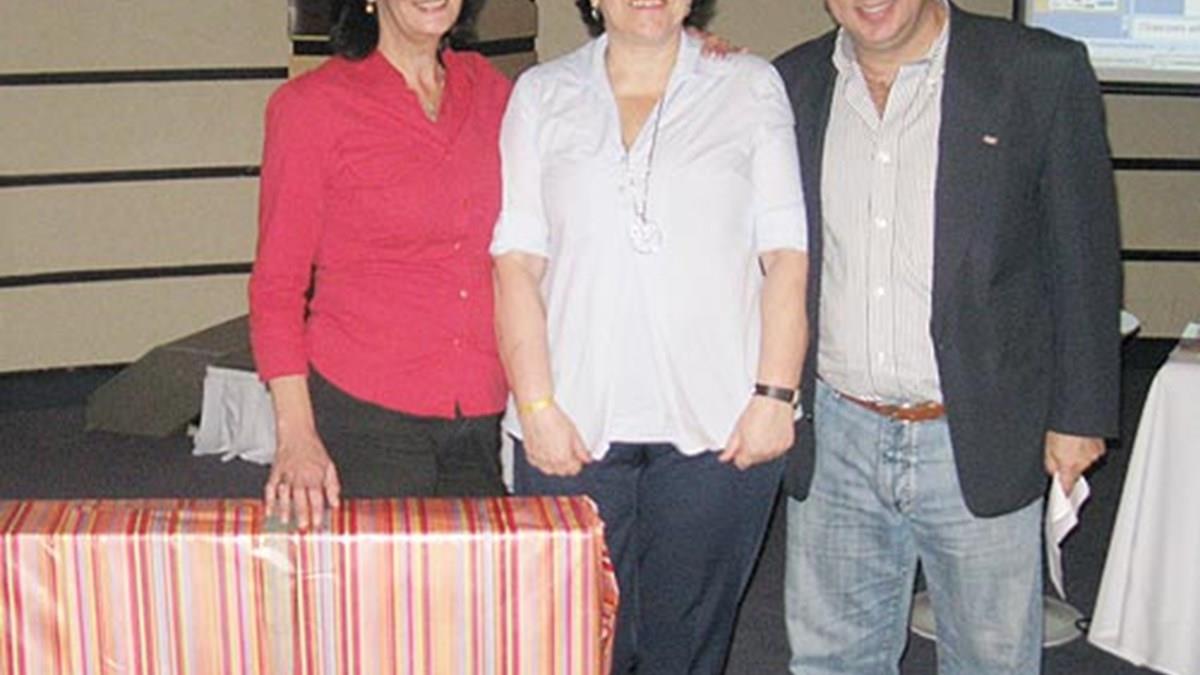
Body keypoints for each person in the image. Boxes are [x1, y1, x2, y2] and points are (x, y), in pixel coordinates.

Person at [773, 0, 1122, 671]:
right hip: (838, 430)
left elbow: (1084, 256)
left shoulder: (1037, 72)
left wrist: (1080, 415)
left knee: (990, 659)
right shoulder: (791, 83)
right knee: (830, 660)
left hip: (979, 429)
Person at [491, 1, 809, 672]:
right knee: (578, 645)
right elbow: (516, 262)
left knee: (686, 648)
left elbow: (786, 254)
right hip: (569, 424)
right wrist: (537, 406)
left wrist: (775, 396)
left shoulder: (749, 86)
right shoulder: (542, 94)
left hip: (722, 428)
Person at [249, 0, 512, 529]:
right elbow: (276, 287)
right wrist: (296, 435)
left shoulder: (492, 91)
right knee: (375, 583)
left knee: (476, 581)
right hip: (365, 410)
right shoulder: (311, 106)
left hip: (478, 409)